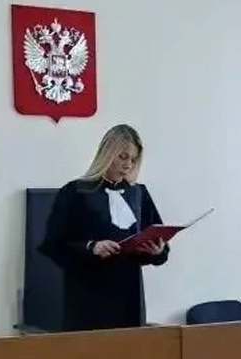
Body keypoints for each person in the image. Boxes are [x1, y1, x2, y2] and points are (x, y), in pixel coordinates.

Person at [38, 124, 171, 331]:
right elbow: (52, 245)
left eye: (133, 159)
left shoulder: (139, 194)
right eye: (123, 157)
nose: (128, 165)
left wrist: (157, 251)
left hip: (128, 296)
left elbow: (158, 243)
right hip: (87, 298)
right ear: (107, 153)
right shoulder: (75, 192)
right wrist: (91, 247)